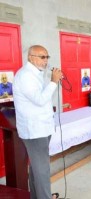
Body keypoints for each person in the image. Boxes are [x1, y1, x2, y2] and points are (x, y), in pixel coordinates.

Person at [13, 45, 62, 199]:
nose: (46, 61)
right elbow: (40, 100)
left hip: (42, 128)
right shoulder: (26, 75)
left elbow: (41, 98)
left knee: (36, 168)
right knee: (42, 170)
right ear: (30, 57)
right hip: (35, 130)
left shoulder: (36, 74)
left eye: (47, 57)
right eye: (42, 57)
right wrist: (54, 82)